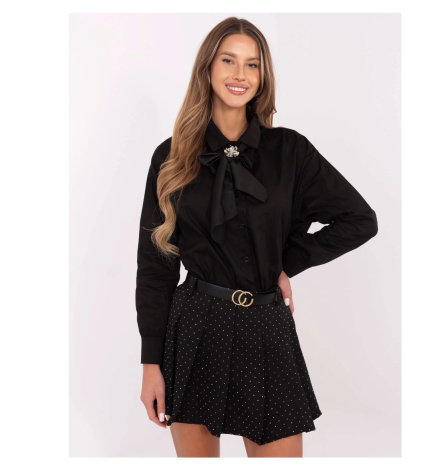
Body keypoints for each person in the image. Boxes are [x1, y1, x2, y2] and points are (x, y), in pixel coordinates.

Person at [135, 17, 378, 458]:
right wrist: (151, 363)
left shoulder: (290, 151)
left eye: (252, 64)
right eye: (228, 60)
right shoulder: (170, 156)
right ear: (208, 68)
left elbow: (359, 219)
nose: (240, 75)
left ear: (263, 76)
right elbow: (156, 266)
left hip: (266, 326)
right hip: (194, 328)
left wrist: (285, 264)